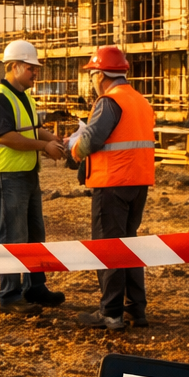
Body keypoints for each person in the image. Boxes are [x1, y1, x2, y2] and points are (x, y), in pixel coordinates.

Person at [68, 45, 156, 330]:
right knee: (129, 245)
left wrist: (73, 150)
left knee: (109, 247)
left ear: (100, 74)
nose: (92, 80)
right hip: (137, 182)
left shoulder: (109, 101)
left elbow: (92, 139)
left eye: (92, 74)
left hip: (112, 183)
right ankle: (135, 310)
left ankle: (110, 312)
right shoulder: (139, 100)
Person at [0, 39, 67, 316]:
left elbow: (33, 128)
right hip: (6, 174)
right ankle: (9, 295)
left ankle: (34, 287)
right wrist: (45, 147)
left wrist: (53, 138)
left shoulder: (24, 96)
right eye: (31, 68)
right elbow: (7, 137)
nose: (35, 73)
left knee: (33, 234)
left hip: (26, 173)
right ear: (14, 66)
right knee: (12, 235)